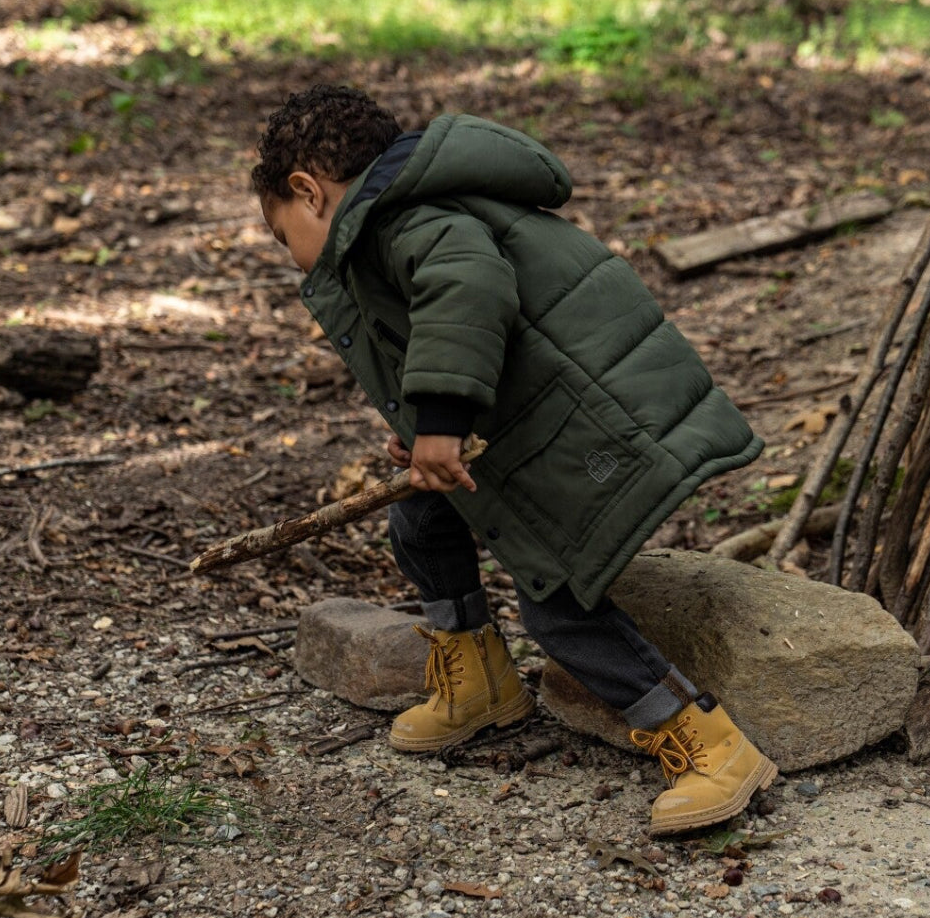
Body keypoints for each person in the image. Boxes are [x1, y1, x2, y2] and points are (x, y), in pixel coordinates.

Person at [250, 84, 777, 835]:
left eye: (283, 236)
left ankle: (708, 742)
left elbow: (467, 288)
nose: (291, 256)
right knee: (419, 519)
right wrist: (428, 428)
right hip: (538, 422)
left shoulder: (402, 218)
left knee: (555, 607)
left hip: (584, 431)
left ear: (309, 191)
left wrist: (441, 418)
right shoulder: (401, 216)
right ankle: (480, 682)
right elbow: (442, 329)